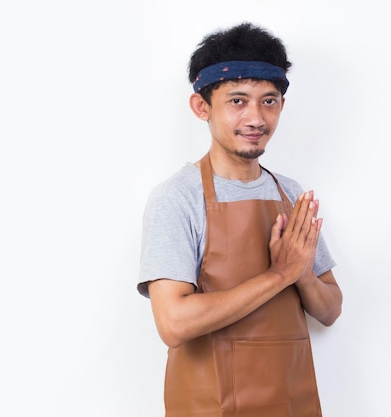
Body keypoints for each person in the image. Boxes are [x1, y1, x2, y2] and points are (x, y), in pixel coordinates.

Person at [137, 22, 343, 417]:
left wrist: (302, 273)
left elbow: (330, 309)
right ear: (202, 107)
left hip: (292, 402)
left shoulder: (291, 193)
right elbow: (174, 322)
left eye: (269, 101)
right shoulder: (178, 197)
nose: (256, 118)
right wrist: (279, 275)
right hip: (210, 405)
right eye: (237, 100)